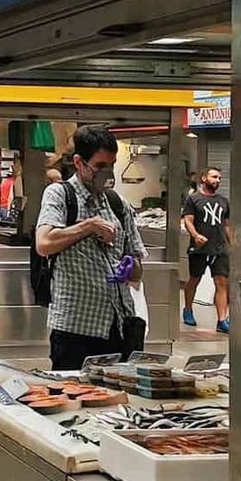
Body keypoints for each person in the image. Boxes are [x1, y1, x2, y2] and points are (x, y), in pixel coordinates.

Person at [35, 125, 148, 371]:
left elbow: (138, 270)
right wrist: (88, 226)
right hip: (76, 328)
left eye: (111, 165)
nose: (107, 173)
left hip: (119, 326)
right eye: (99, 166)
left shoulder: (118, 205)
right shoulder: (60, 195)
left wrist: (132, 266)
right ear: (79, 162)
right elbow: (44, 243)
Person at [182, 167, 233, 333]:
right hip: (199, 248)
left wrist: (232, 244)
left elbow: (226, 225)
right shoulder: (194, 199)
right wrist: (195, 235)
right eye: (214, 177)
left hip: (219, 248)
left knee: (221, 282)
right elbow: (188, 220)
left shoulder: (224, 201)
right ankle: (188, 309)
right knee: (194, 279)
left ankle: (221, 320)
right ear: (204, 178)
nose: (217, 180)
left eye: (219, 178)